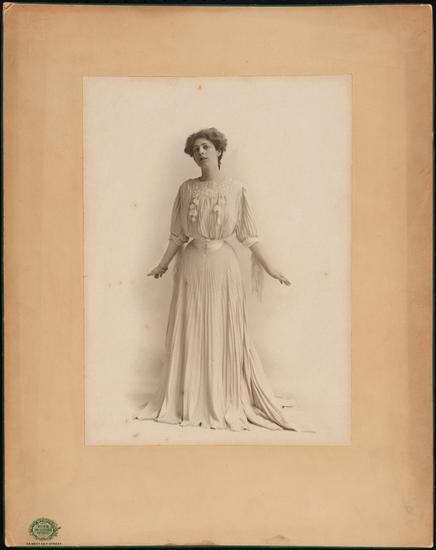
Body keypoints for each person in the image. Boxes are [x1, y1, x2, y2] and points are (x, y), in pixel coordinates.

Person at [135, 128, 296, 431]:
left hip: (223, 268)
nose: (201, 152)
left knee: (223, 328)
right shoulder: (186, 189)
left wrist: (271, 267)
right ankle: (190, 398)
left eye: (206, 147)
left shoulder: (236, 190)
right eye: (195, 149)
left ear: (219, 151)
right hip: (192, 266)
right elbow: (177, 236)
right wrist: (162, 264)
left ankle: (223, 395)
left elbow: (249, 236)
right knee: (192, 325)